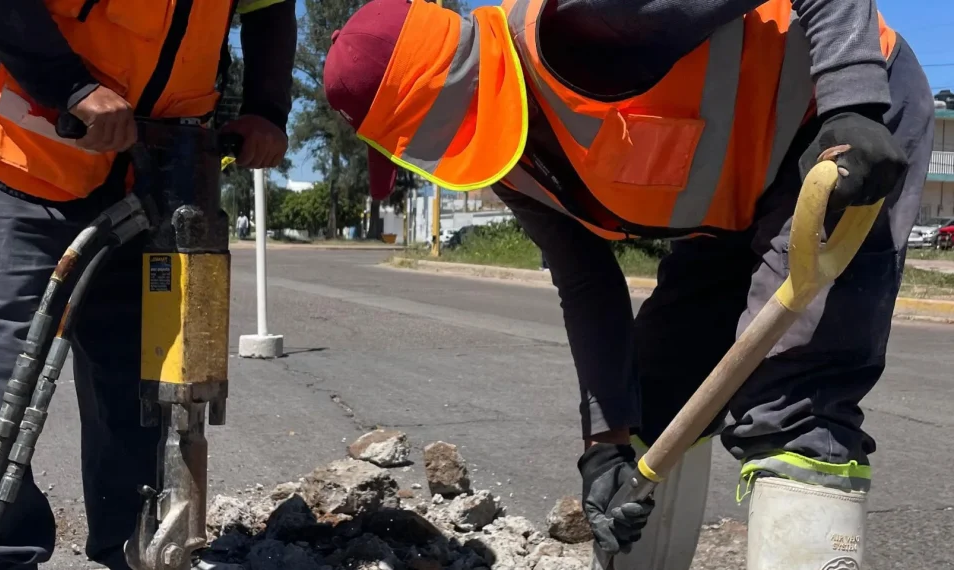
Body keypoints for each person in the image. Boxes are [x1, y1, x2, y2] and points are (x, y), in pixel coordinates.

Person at [323, 0, 933, 568]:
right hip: (729, 210)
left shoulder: (588, 21)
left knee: (793, 394)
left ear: (461, 84)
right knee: (653, 396)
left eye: (436, 130)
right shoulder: (517, 168)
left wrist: (852, 100)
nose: (445, 154)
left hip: (835, 135)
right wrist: (605, 443)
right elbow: (586, 285)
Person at [0, 0, 295, 568]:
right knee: (0, 390)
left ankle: (139, 552)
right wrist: (67, 86)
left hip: (153, 170)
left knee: (139, 392)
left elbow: (270, 6)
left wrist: (267, 107)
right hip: (19, 156)